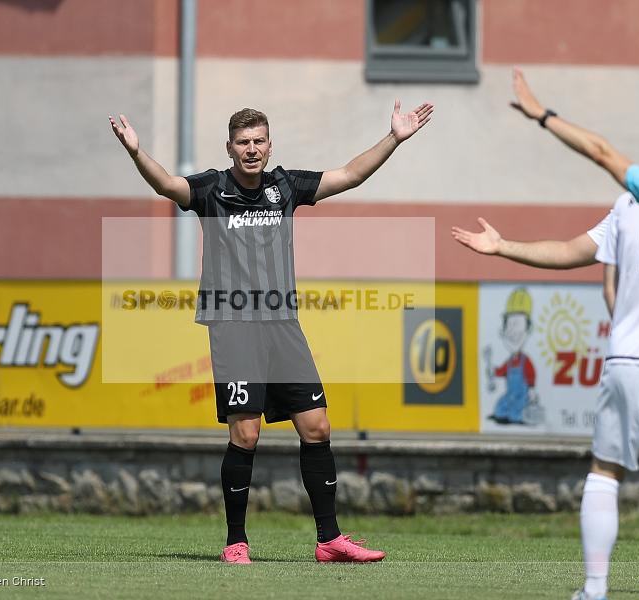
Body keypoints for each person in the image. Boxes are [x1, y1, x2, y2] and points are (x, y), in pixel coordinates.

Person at [110, 101, 433, 563]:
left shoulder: (286, 185)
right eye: (243, 142)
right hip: (234, 327)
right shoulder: (211, 190)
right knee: (246, 435)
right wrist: (137, 153)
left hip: (283, 325)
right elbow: (167, 184)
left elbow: (349, 175)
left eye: (259, 140)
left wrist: (394, 139)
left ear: (269, 145)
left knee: (317, 426)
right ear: (230, 147)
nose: (252, 149)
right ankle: (235, 542)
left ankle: (330, 541)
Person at [453, 98, 639, 600]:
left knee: (605, 472)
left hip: (623, 358)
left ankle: (594, 589)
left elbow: (572, 253)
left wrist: (504, 246)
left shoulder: (628, 205)